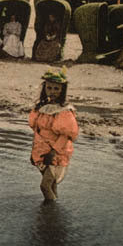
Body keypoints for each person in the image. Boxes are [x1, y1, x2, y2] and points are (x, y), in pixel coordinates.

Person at [29, 68, 79, 201]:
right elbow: (36, 130)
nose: (52, 91)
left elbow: (66, 135)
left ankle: (49, 213)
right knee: (51, 185)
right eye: (49, 88)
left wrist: (53, 152)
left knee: (44, 186)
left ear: (62, 90)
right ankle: (53, 213)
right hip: (41, 149)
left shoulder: (64, 111)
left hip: (56, 151)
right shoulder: (41, 107)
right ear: (44, 89)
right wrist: (33, 150)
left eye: (56, 89)